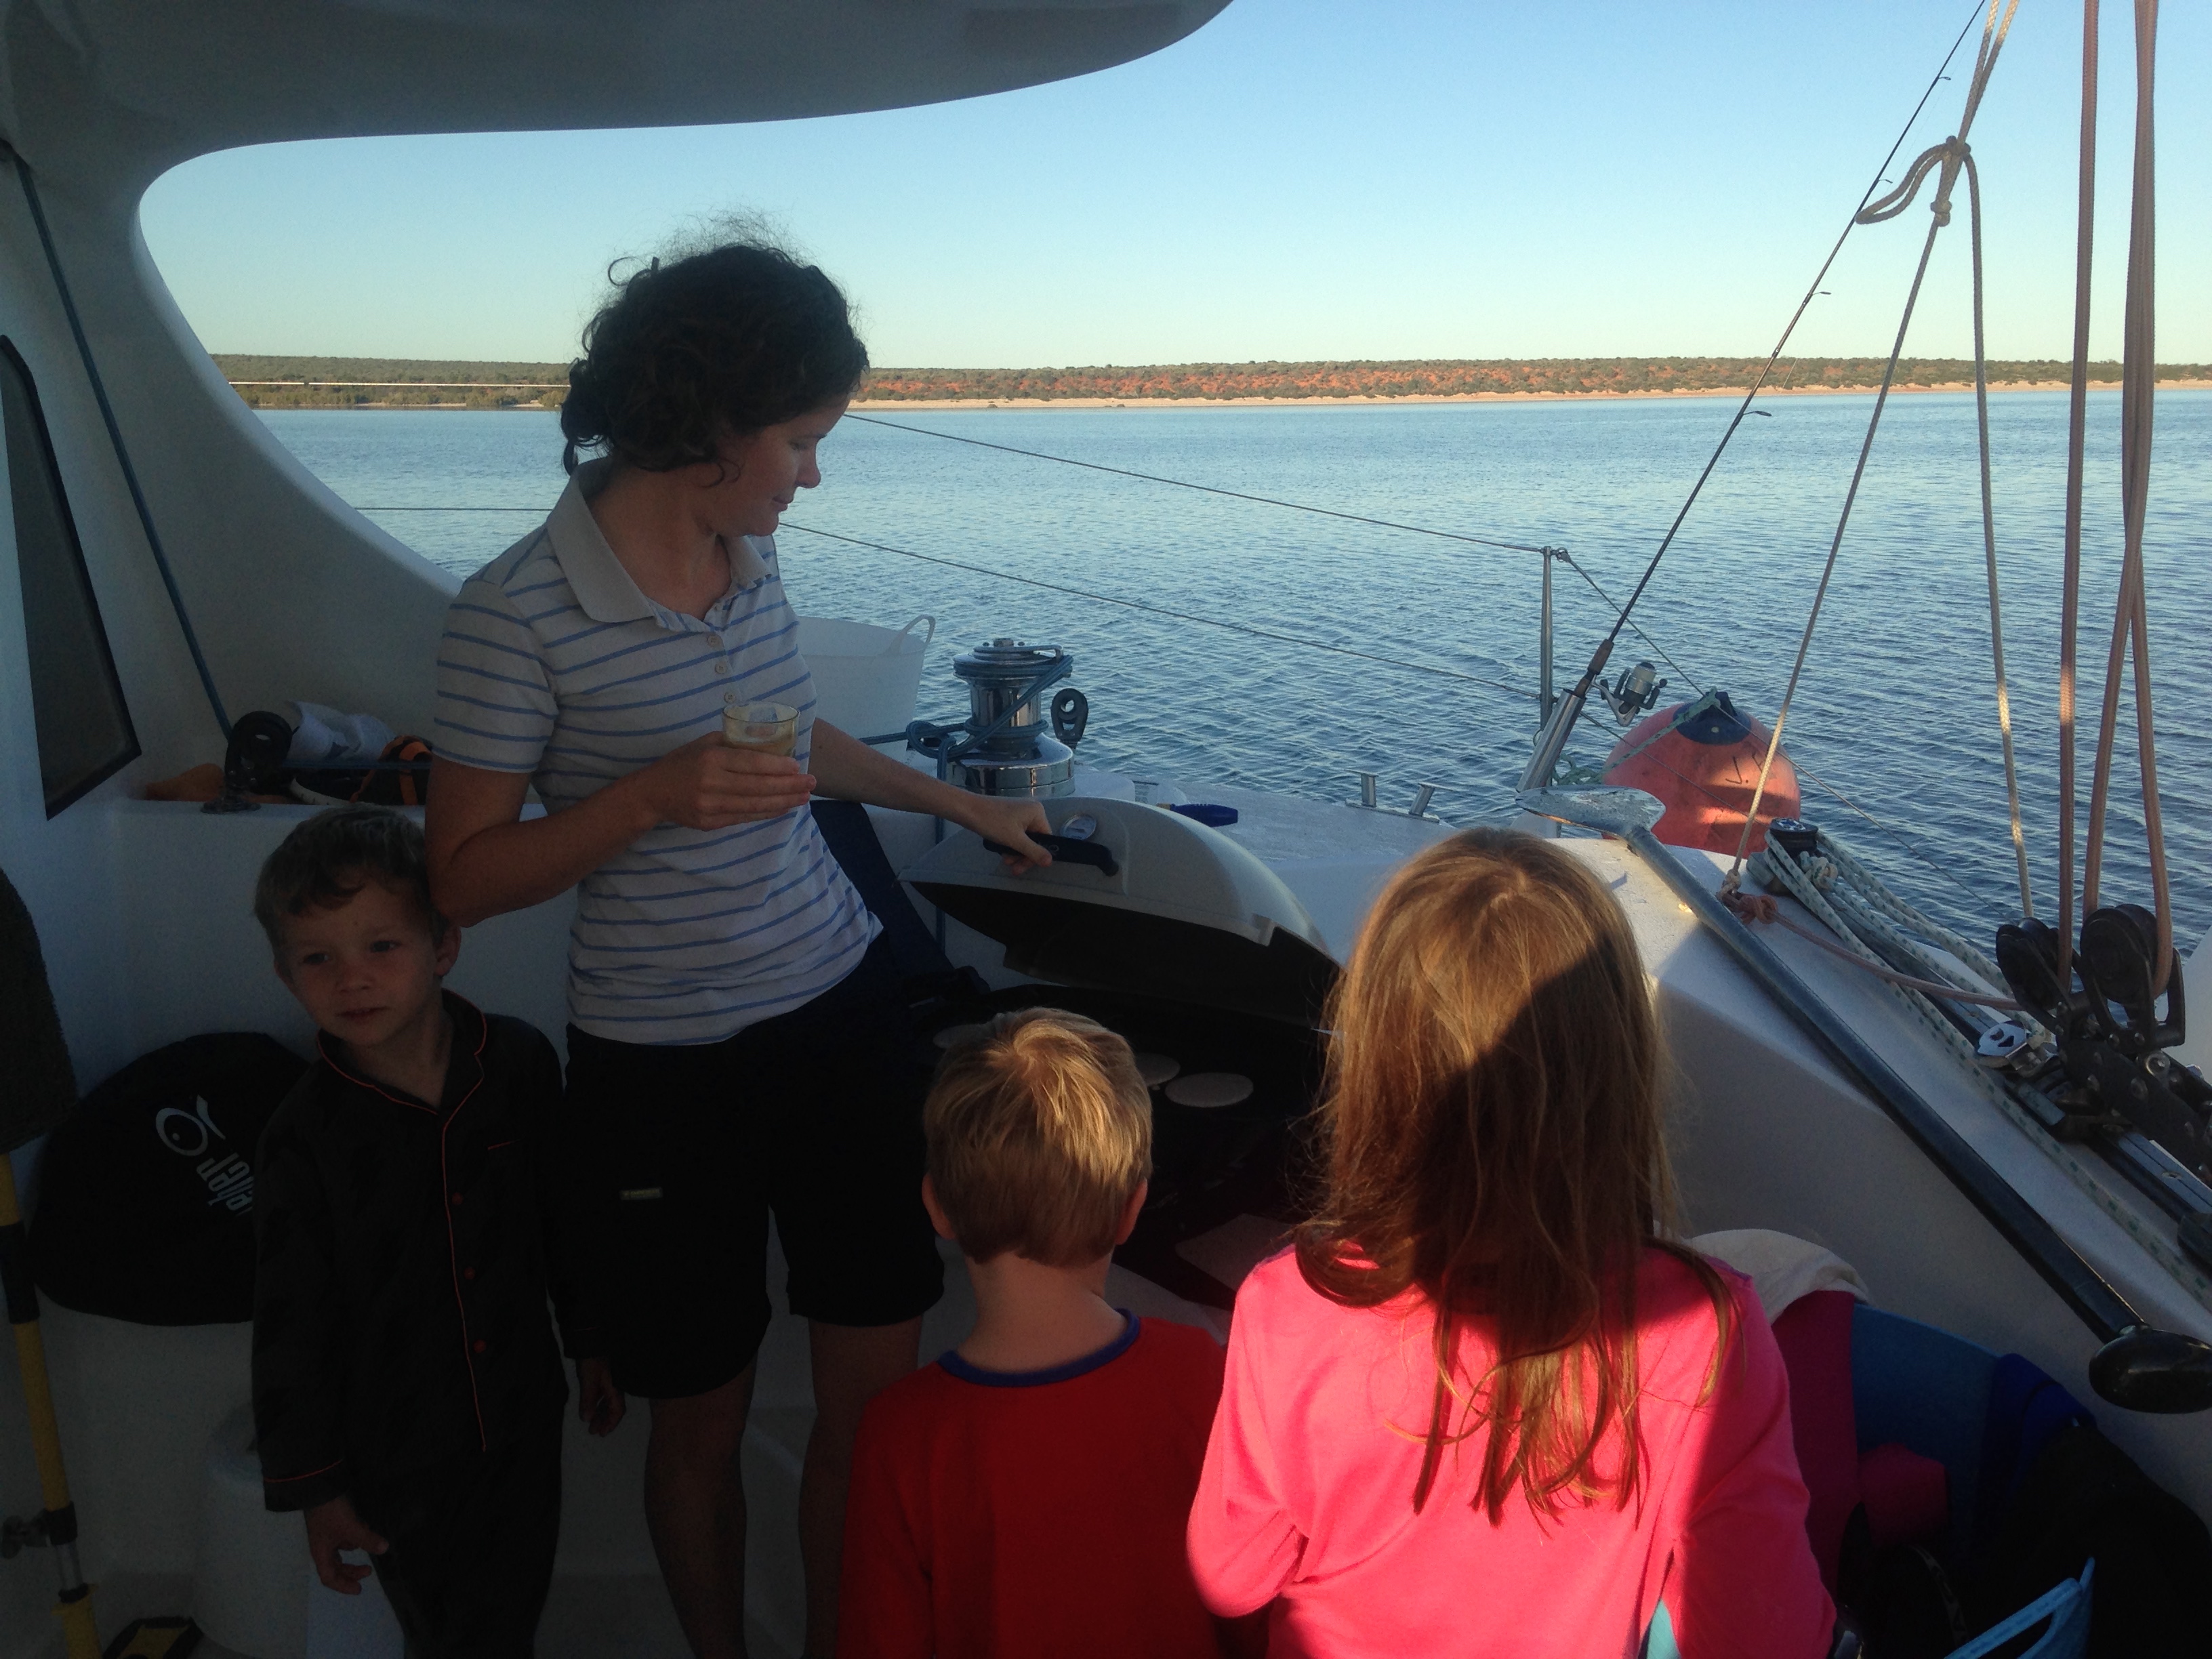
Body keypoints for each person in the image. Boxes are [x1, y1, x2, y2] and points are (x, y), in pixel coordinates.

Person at [423, 237, 1052, 1659]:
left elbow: (786, 733)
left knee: (872, 1402)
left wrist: (960, 803)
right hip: (660, 1066)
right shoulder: (512, 612)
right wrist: (646, 797)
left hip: (840, 1013)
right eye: (802, 440)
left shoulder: (748, 548)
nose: (811, 477)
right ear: (712, 427)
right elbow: (458, 874)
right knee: (695, 1421)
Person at [1185, 830, 1837, 1658]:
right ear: (1616, 1074)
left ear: (1378, 1066)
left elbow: (1230, 1577)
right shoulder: (1708, 1336)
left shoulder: (1289, 1305)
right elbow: (1768, 1636)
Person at [249, 805, 620, 1657]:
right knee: (451, 1634)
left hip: (522, 1418)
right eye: (318, 958)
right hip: (395, 1451)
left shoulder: (517, 1064)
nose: (353, 979)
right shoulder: (301, 1138)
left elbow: (567, 1216)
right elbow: (290, 1324)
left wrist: (592, 1342)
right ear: (286, 974)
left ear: (443, 946)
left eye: (381, 945)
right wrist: (316, 1490)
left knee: (511, 1612)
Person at [838, 1010, 1254, 1659]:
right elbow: (1257, 1609)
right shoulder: (1203, 1370)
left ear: (937, 1206)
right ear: (1132, 1208)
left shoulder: (900, 1435)